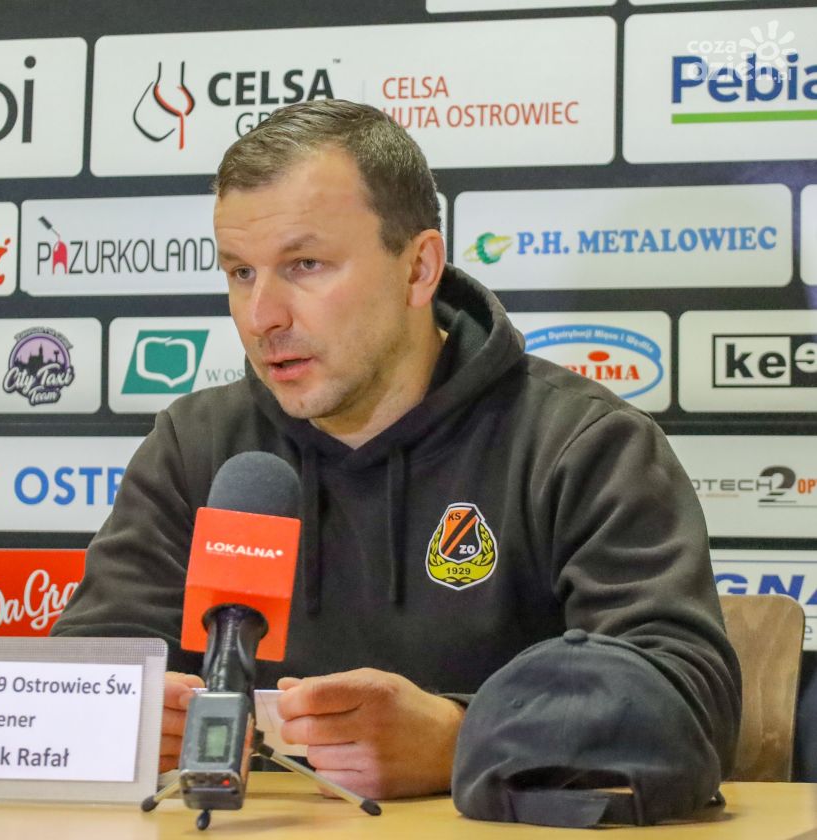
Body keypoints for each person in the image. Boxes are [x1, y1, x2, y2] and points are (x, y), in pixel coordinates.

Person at [51, 99, 741, 800]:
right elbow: (80, 677)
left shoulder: (580, 445)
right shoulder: (197, 446)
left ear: (418, 269)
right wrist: (118, 719)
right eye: (240, 273)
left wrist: (461, 741)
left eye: (305, 264)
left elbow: (688, 707)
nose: (262, 317)